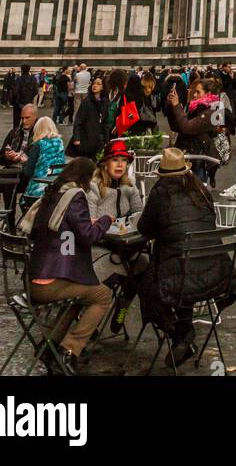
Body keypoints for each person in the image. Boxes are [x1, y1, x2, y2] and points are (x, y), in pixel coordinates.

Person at [136, 146, 236, 367]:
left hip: (180, 277)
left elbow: (144, 229)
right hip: (217, 273)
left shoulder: (160, 193)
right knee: (182, 268)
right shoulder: (199, 189)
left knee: (147, 289)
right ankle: (184, 335)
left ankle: (182, 336)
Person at [23, 157, 113, 374]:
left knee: (79, 297)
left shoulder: (52, 193)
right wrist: (105, 220)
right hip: (50, 283)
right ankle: (69, 349)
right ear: (84, 177)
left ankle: (50, 346)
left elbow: (58, 230)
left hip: (32, 279)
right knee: (103, 295)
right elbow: (87, 236)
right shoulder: (75, 196)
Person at [87, 139, 145, 333]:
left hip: (127, 246)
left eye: (124, 161)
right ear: (105, 163)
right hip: (100, 247)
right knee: (107, 274)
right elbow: (89, 221)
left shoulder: (130, 188)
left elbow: (140, 216)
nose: (120, 164)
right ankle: (90, 320)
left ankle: (124, 305)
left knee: (145, 265)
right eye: (115, 160)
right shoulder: (94, 188)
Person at [167, 77, 230, 187]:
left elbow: (187, 127)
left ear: (208, 94)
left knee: (196, 192)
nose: (194, 95)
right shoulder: (196, 108)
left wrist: (177, 106)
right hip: (189, 155)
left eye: (198, 92)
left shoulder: (211, 112)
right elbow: (178, 126)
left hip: (198, 159)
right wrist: (171, 106)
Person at [20, 116, 66, 209]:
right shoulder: (60, 143)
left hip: (39, 190)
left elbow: (28, 172)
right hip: (57, 187)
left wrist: (25, 162)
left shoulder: (38, 145)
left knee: (22, 201)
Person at [70, 74, 109, 158]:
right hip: (86, 138)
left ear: (103, 87)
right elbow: (78, 120)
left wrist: (106, 140)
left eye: (98, 84)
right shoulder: (87, 101)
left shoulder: (105, 102)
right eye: (94, 83)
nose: (95, 86)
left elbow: (105, 121)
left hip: (98, 139)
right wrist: (76, 137)